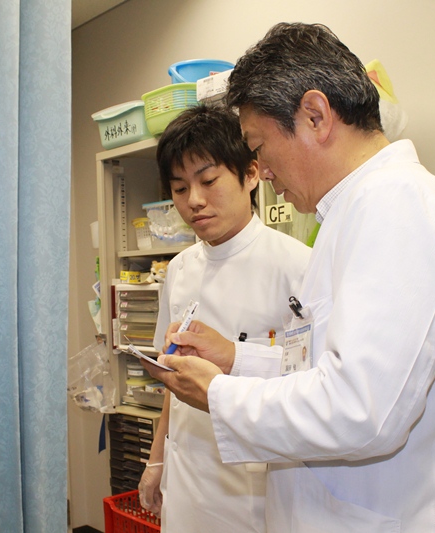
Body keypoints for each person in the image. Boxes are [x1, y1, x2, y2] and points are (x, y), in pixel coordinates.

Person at [145, 23, 435, 532]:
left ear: (315, 115)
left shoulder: (395, 205)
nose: (262, 171)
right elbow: (327, 369)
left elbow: (361, 409)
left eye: (259, 146)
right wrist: (238, 359)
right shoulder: (354, 212)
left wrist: (219, 394)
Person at [137, 103, 311, 533]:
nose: (194, 201)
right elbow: (173, 379)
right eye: (179, 188)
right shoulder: (179, 269)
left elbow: (314, 383)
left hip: (256, 487)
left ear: (250, 174)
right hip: (187, 475)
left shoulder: (297, 266)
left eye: (209, 181)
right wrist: (156, 460)